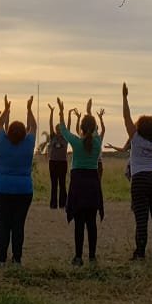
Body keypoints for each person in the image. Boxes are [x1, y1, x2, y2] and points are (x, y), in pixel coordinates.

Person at [122, 82, 152, 260]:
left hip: (140, 179)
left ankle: (140, 252)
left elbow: (126, 116)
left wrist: (125, 97)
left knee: (141, 218)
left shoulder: (135, 137)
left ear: (139, 127)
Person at [56, 96, 104, 266]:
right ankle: (92, 256)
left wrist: (61, 111)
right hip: (92, 183)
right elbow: (96, 131)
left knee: (79, 224)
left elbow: (63, 130)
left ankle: (78, 257)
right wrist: (90, 111)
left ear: (81, 128)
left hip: (78, 184)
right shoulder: (97, 142)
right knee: (91, 222)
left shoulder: (76, 142)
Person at [0, 95, 37, 265]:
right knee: (18, 225)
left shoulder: (3, 142)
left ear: (9, 131)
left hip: (3, 189)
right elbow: (33, 126)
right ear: (24, 133)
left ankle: (1, 259)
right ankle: (17, 258)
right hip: (24, 190)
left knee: (3, 225)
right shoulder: (29, 143)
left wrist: (6, 109)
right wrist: (29, 109)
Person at [45, 103, 69, 209]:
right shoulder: (53, 136)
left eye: (60, 128)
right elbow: (50, 124)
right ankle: (53, 204)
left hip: (62, 162)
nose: (58, 130)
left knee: (62, 184)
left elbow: (67, 124)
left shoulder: (65, 137)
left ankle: (63, 204)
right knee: (54, 184)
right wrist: (51, 112)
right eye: (57, 128)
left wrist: (64, 113)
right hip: (53, 162)